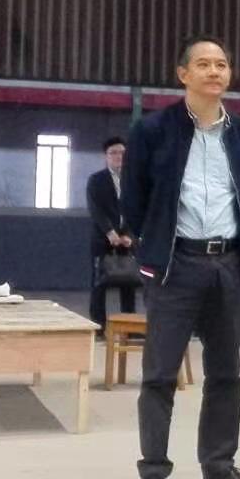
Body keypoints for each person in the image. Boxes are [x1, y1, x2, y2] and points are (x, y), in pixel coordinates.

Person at [122, 37, 240, 479]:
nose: (214, 71)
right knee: (160, 374)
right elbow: (133, 201)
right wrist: (154, 246)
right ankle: (153, 472)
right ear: (183, 74)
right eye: (203, 64)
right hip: (175, 265)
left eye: (221, 64)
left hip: (227, 263)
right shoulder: (152, 131)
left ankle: (218, 466)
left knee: (226, 372)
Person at [86, 135, 137, 332]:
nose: (118, 156)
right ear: (106, 156)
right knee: (99, 285)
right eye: (113, 153)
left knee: (129, 284)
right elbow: (95, 210)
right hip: (102, 240)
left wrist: (129, 236)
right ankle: (99, 327)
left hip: (127, 241)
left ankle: (129, 328)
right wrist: (110, 233)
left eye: (122, 152)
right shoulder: (96, 180)